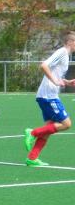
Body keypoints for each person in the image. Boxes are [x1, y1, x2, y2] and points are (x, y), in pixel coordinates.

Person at [24, 31, 75, 166]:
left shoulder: (66, 56)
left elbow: (54, 73)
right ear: (70, 42)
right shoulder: (62, 52)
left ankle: (32, 158)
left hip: (46, 95)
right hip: (49, 96)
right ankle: (33, 132)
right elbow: (44, 65)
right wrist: (55, 81)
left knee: (49, 129)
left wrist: (66, 81)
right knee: (66, 124)